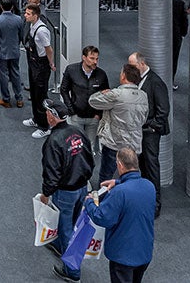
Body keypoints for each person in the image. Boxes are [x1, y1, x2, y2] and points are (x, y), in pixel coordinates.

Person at [81, 147, 156, 283]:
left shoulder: (119, 193)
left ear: (120, 165)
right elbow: (134, 190)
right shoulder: (149, 186)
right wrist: (118, 182)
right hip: (144, 252)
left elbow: (102, 217)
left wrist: (89, 203)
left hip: (123, 256)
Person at [38, 98, 94, 277]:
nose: (46, 114)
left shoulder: (53, 141)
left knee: (66, 228)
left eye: (48, 112)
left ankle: (72, 271)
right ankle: (60, 245)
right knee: (75, 226)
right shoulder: (77, 132)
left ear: (53, 117)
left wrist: (46, 194)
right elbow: (90, 159)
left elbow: (52, 172)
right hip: (82, 187)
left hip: (65, 192)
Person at [88, 63, 148, 183]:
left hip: (114, 143)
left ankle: (105, 199)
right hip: (134, 144)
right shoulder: (143, 96)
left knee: (106, 176)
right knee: (131, 177)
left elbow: (93, 101)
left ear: (124, 76)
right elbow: (144, 118)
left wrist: (102, 93)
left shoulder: (116, 94)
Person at [129, 51, 170, 215]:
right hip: (140, 130)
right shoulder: (139, 79)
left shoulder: (155, 82)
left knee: (151, 165)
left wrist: (152, 126)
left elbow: (163, 109)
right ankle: (144, 197)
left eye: (132, 66)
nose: (129, 69)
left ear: (141, 64)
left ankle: (155, 204)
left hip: (150, 132)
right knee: (142, 164)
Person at [60, 45, 110, 173]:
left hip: (93, 119)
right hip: (76, 117)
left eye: (97, 59)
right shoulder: (71, 70)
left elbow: (106, 96)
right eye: (92, 58)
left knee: (89, 149)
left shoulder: (101, 75)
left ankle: (85, 176)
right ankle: (73, 175)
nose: (95, 62)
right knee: (74, 148)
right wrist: (71, 109)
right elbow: (64, 90)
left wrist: (98, 114)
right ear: (84, 57)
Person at [23, 4, 55, 137]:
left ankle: (45, 126)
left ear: (35, 16)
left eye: (28, 14)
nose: (25, 15)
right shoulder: (32, 26)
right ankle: (36, 119)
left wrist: (51, 63)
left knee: (41, 96)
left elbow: (49, 49)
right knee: (34, 93)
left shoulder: (41, 31)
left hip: (41, 65)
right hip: (33, 62)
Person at [0, 0, 25, 108]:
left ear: (1, 6)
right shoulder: (18, 19)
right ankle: (19, 98)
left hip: (1, 52)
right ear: (12, 7)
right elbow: (21, 35)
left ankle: (6, 99)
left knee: (3, 76)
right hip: (14, 50)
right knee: (15, 73)